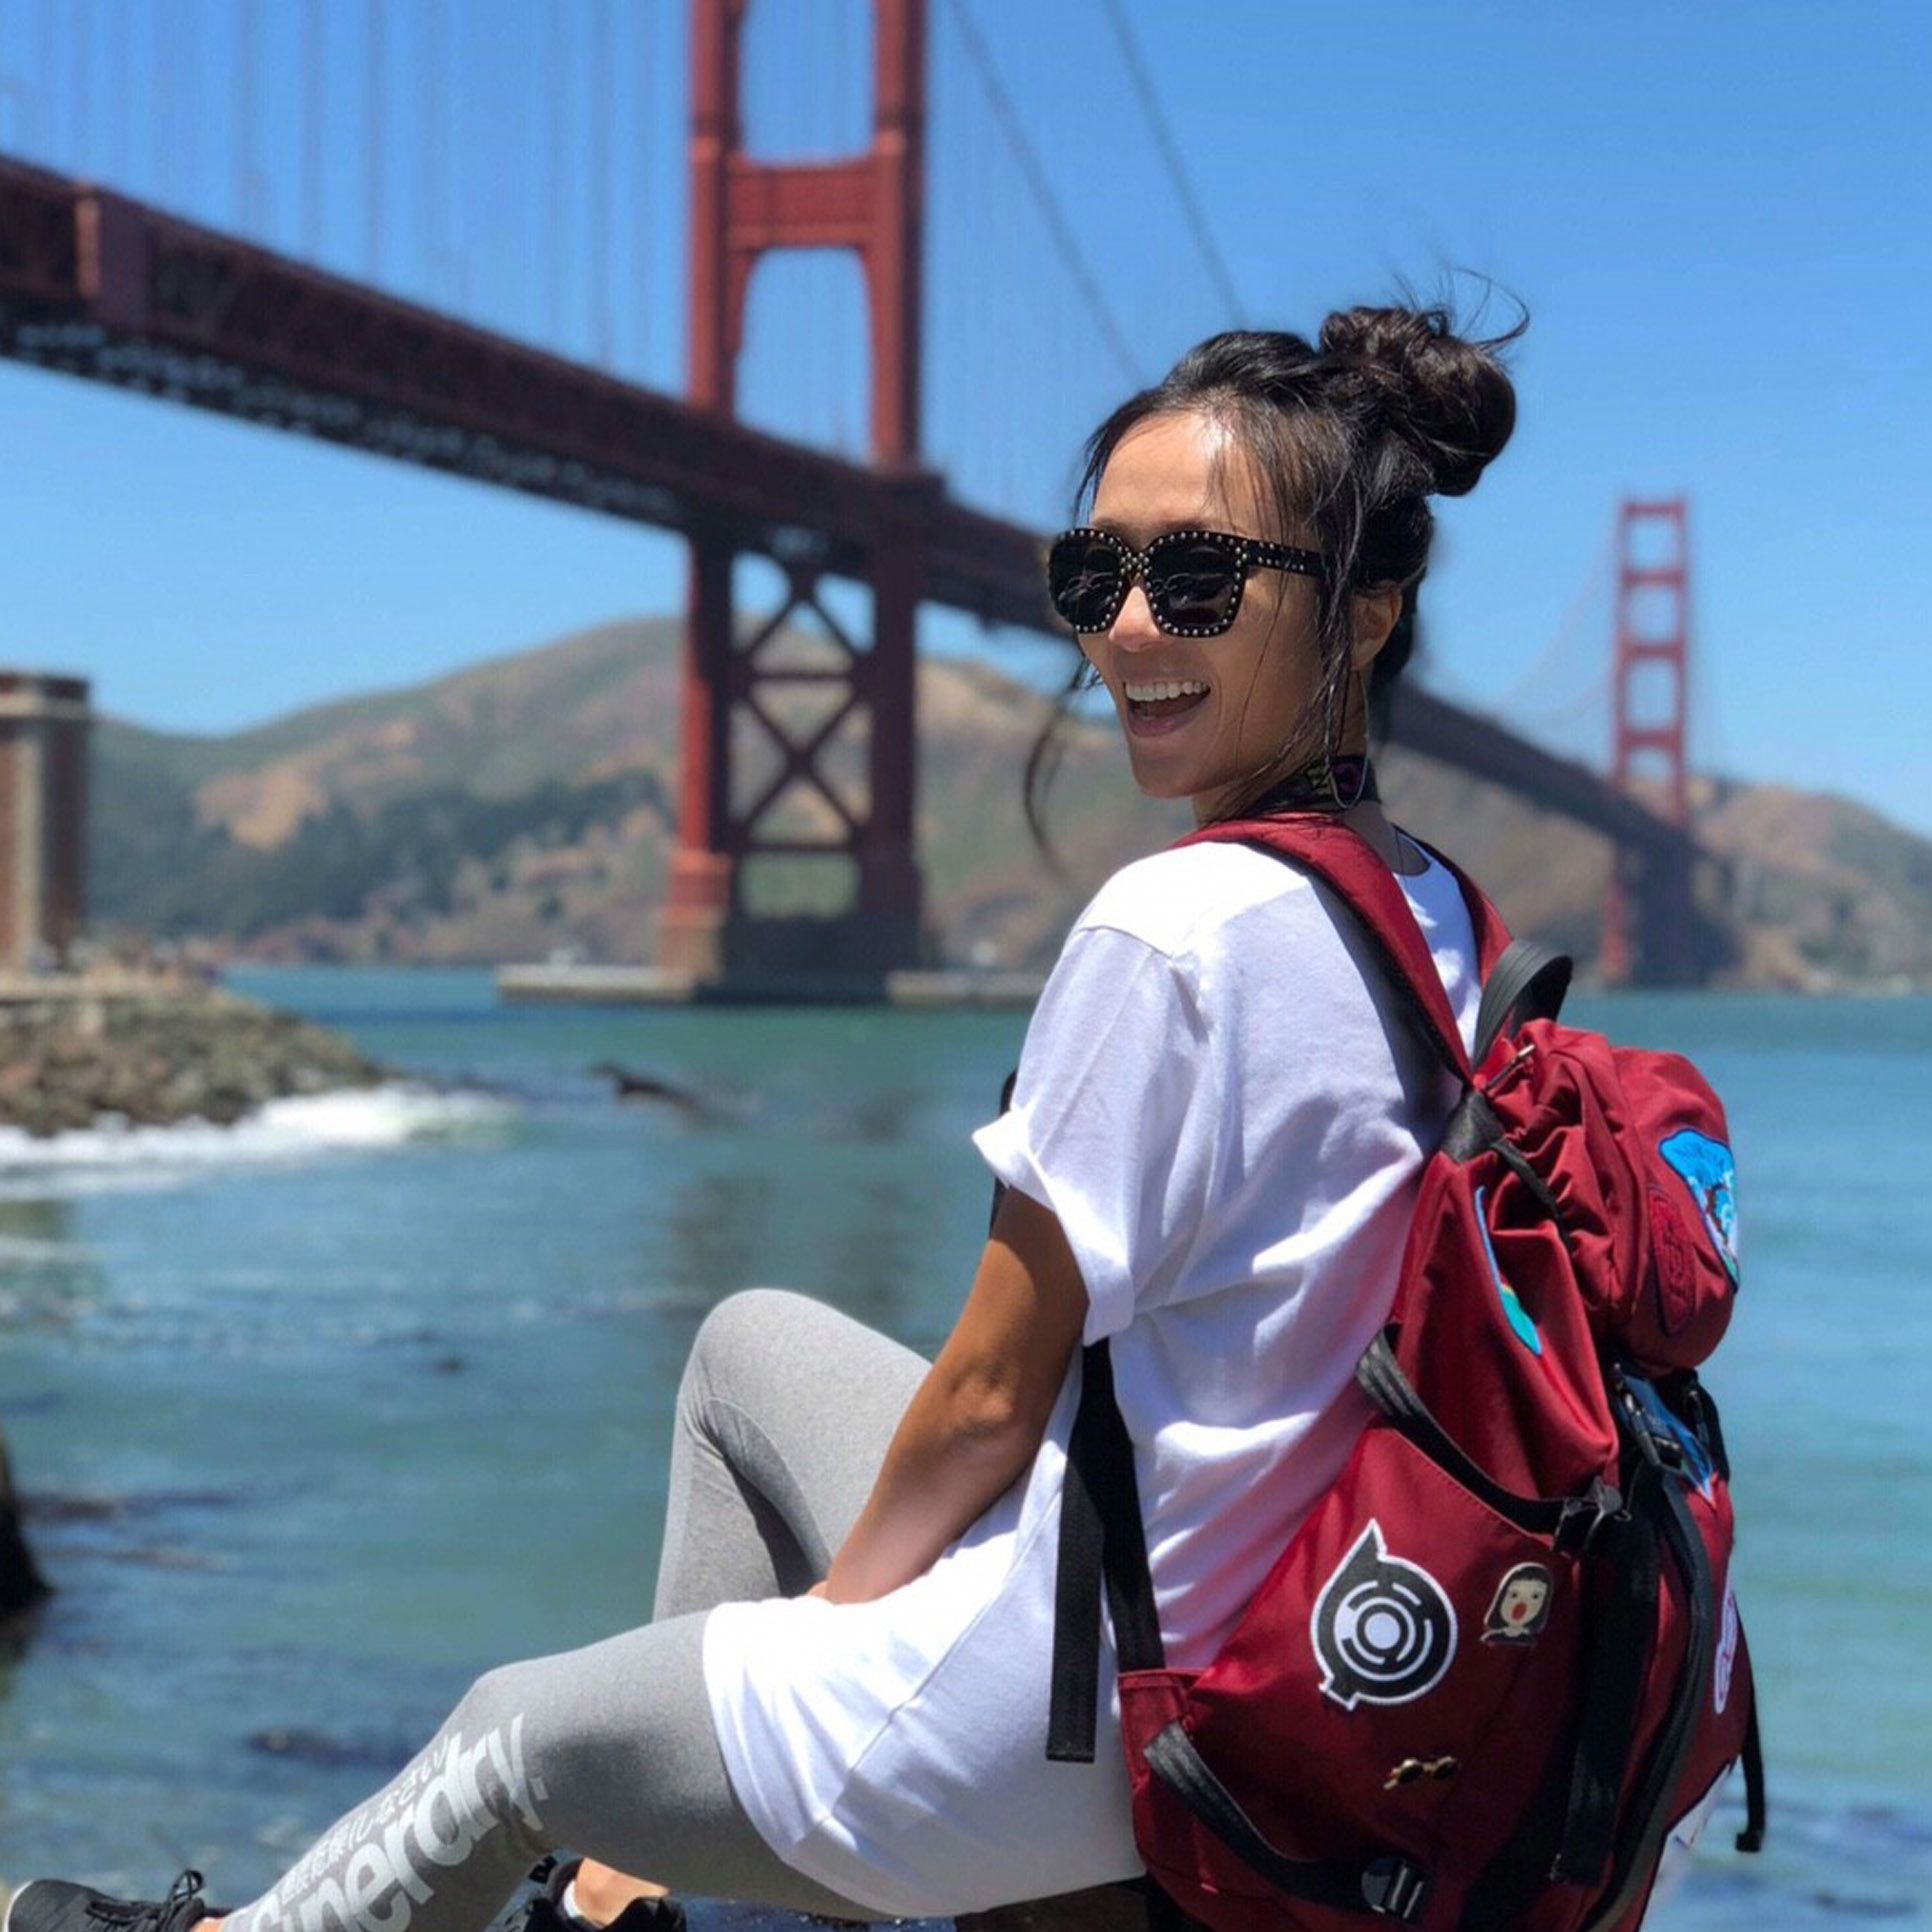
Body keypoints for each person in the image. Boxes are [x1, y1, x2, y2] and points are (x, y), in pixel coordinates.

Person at [5, 300, 1518, 1932]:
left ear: (1366, 609)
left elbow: (987, 1399)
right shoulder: (1442, 917)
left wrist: (806, 1641)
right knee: (745, 1353)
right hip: (1253, 1635)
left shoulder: (1171, 929)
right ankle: (635, 1897)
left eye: (1201, 578)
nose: (1132, 628)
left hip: (1090, 1707)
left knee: (510, 1741)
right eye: (1096, 576)